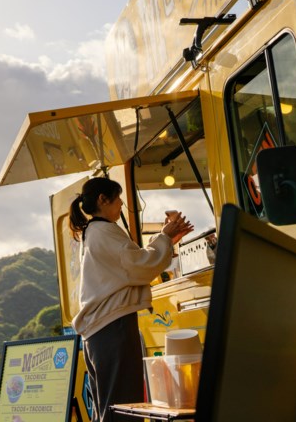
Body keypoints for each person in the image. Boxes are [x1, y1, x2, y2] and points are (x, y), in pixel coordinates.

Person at [68, 177, 193, 421]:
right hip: (114, 327)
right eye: (117, 199)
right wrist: (165, 236)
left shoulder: (94, 232)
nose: (122, 203)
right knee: (124, 409)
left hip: (99, 331)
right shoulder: (103, 232)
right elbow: (139, 265)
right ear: (103, 200)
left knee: (109, 408)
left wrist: (167, 241)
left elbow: (133, 262)